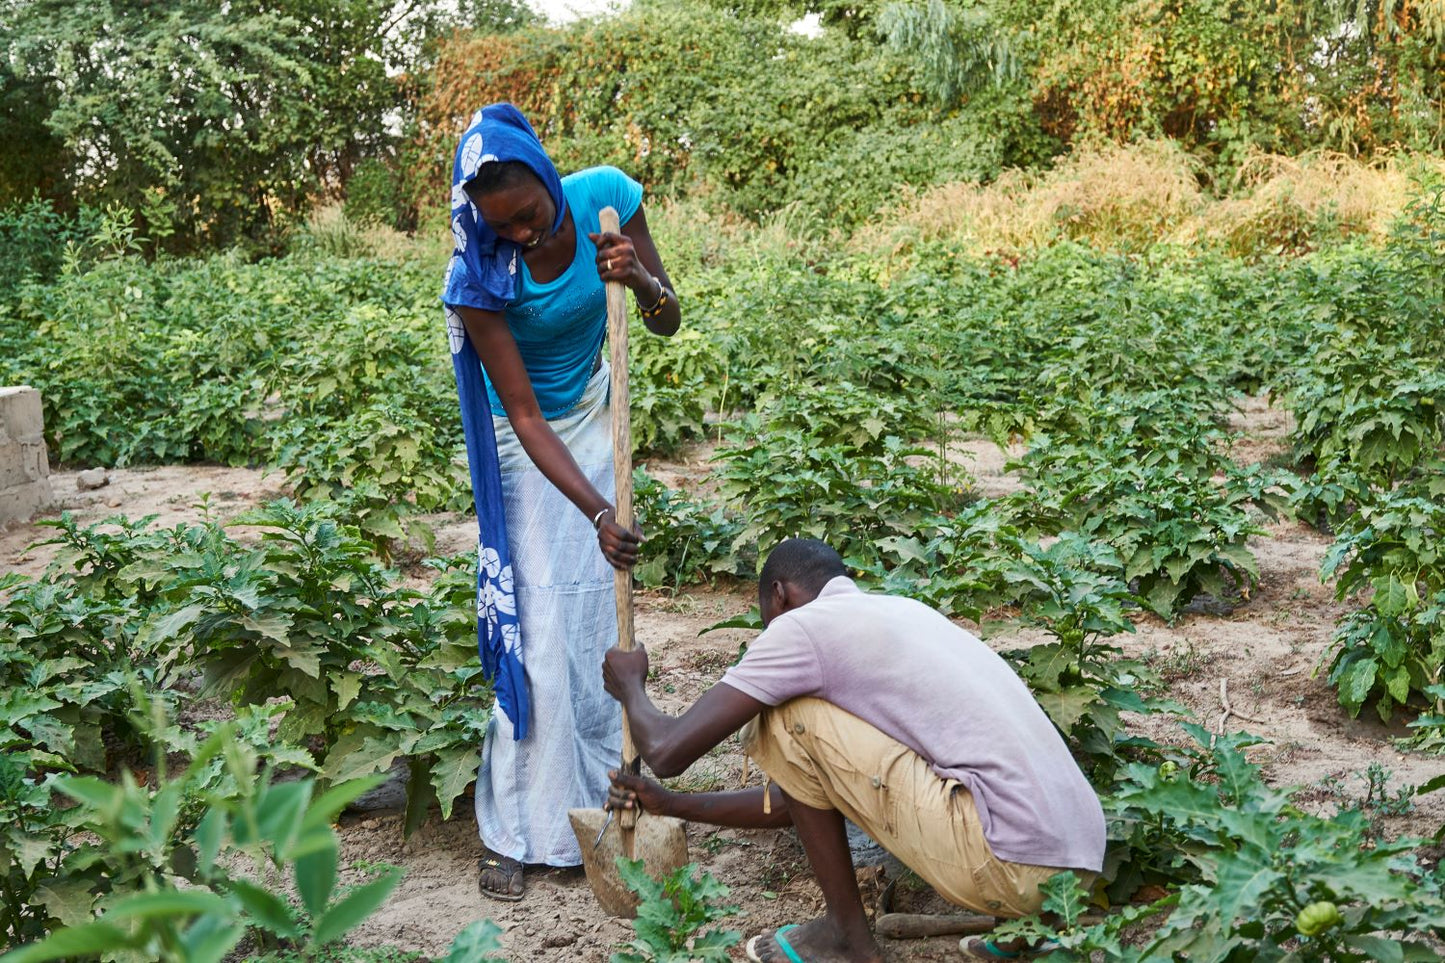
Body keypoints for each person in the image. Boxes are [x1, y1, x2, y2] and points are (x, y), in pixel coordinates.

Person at [601, 538, 1106, 962]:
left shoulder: (802, 628)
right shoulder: (904, 612)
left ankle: (846, 935)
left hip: (1007, 863)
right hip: (1074, 869)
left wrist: (631, 687)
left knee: (784, 717)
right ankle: (1022, 933)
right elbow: (801, 799)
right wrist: (669, 805)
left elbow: (666, 751)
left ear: (779, 595)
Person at [441, 103, 680, 901]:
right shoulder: (477, 277)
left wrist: (637, 276)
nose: (519, 236)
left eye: (528, 215)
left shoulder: (604, 196)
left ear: (546, 177)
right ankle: (515, 828)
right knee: (538, 636)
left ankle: (604, 803)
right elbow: (522, 414)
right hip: (532, 454)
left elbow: (668, 317)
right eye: (498, 225)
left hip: (597, 416)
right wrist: (595, 511)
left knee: (594, 629)